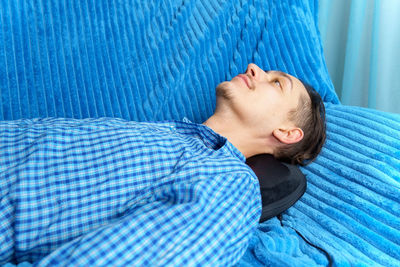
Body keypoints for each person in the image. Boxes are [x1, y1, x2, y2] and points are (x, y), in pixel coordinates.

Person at [0, 63, 326, 266]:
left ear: (286, 132)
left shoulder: (231, 185)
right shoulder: (168, 134)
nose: (255, 68)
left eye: (276, 83)